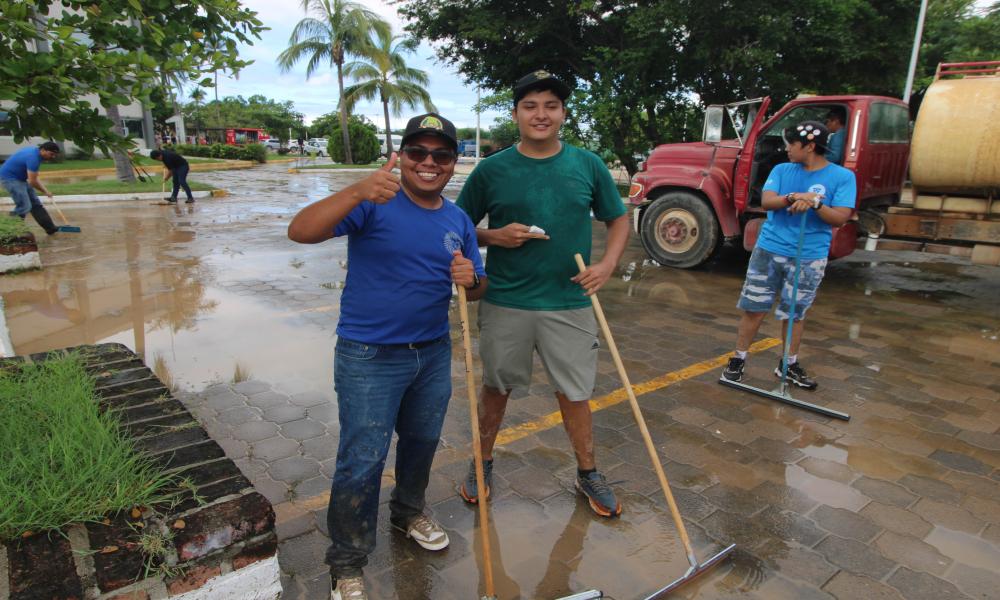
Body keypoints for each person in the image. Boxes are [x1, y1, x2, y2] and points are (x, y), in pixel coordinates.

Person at [288, 112, 486, 600]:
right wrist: (355, 190)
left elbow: (477, 286)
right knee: (362, 459)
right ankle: (347, 561)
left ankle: (408, 513)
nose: (428, 162)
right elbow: (300, 231)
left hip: (433, 352)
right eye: (417, 152)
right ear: (401, 157)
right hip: (369, 356)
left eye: (440, 154)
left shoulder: (457, 218)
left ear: (453, 163)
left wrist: (472, 281)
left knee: (422, 442)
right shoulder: (376, 202)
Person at [456, 70, 630, 518]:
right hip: (506, 300)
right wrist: (494, 237)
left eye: (550, 106)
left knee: (575, 393)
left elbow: (618, 219)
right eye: (530, 106)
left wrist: (606, 265)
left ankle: (588, 471)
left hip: (570, 300)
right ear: (515, 113)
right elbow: (454, 227)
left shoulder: (587, 164)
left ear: (563, 113)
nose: (541, 114)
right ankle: (483, 462)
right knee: (496, 388)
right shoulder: (492, 169)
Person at [721, 121, 855, 390]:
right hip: (769, 250)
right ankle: (738, 359)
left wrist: (815, 203)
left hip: (809, 257)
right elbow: (767, 201)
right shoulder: (782, 169)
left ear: (809, 146)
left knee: (795, 313)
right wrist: (794, 197)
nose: (786, 149)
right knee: (754, 308)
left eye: (791, 144)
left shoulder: (842, 177)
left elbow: (840, 217)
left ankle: (788, 363)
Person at [0, 142, 61, 235]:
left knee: (35, 204)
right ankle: (9, 230)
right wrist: (44, 191)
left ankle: (50, 228)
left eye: (54, 155)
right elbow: (32, 181)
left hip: (20, 178)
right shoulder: (33, 158)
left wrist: (46, 191)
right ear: (43, 150)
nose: (53, 157)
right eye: (51, 154)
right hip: (10, 179)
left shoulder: (35, 153)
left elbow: (34, 177)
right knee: (24, 206)